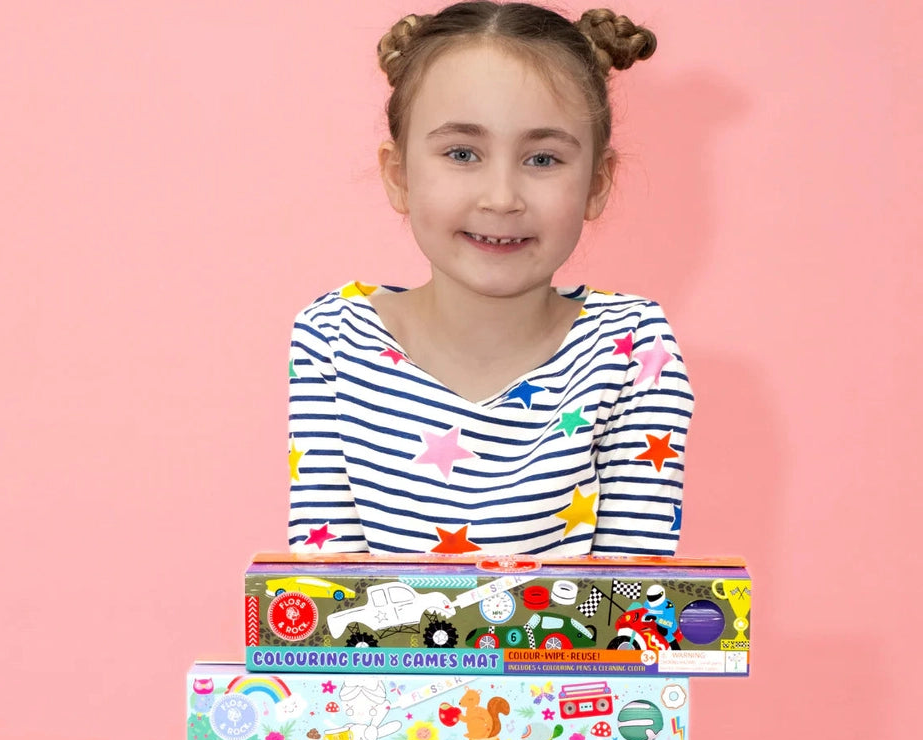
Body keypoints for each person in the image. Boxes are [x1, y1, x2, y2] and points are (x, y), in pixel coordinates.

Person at [288, 2, 693, 557]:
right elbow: (325, 593)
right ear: (399, 175)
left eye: (543, 159)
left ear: (597, 184)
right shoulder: (334, 339)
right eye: (462, 153)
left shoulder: (633, 349)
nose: (502, 198)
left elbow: (636, 592)